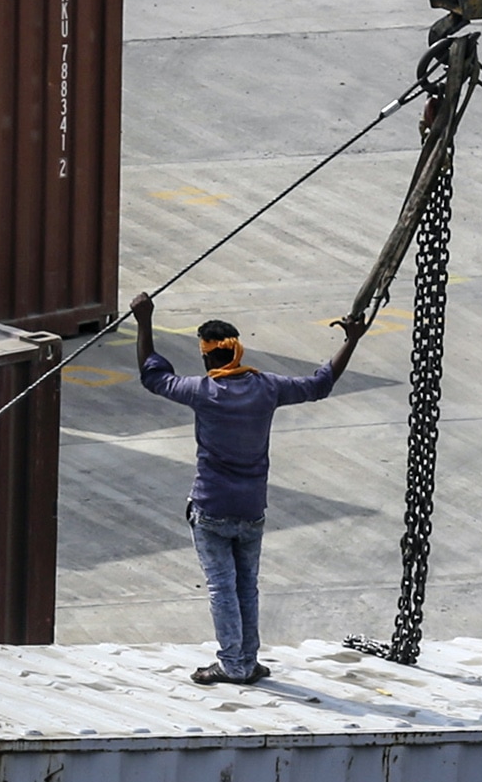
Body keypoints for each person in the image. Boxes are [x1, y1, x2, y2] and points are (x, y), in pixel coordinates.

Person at [133, 292, 364, 685]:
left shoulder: (202, 391)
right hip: (252, 509)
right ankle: (248, 660)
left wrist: (144, 321)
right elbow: (320, 384)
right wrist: (352, 340)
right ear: (237, 351)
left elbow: (153, 376)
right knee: (246, 588)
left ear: (207, 357)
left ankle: (232, 664)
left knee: (221, 588)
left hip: (211, 507)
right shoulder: (266, 387)